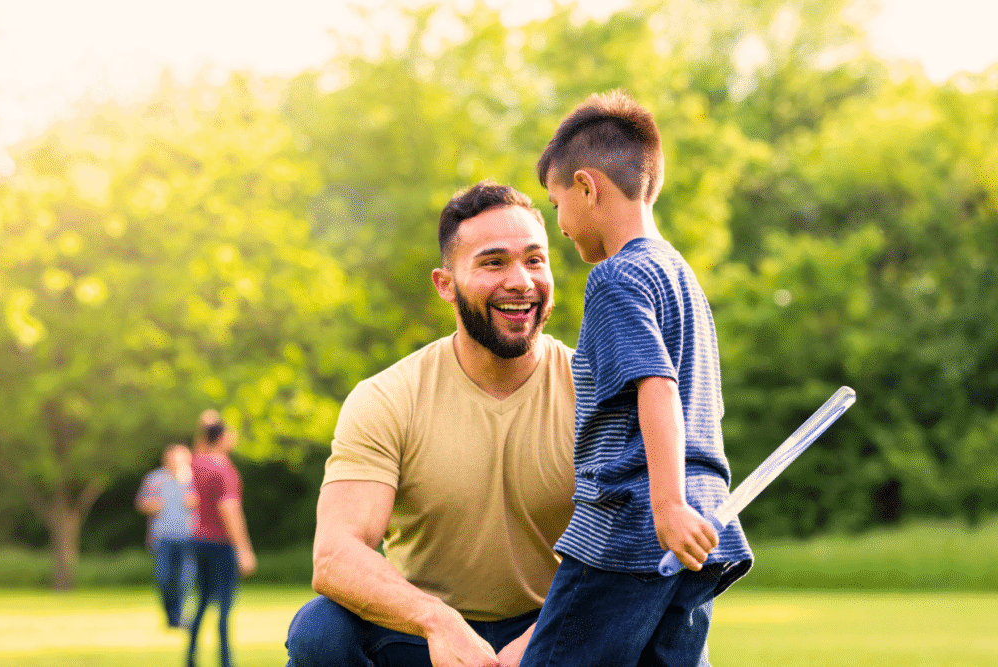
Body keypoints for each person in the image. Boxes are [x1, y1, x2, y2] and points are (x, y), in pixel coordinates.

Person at [284, 180, 576, 667]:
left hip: (552, 628)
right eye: (493, 262)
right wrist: (438, 622)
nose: (522, 281)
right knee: (320, 631)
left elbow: (624, 549)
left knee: (653, 615)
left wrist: (539, 640)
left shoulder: (591, 390)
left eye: (534, 259)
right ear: (445, 284)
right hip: (423, 634)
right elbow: (335, 555)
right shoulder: (387, 398)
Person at [518, 90, 754, 667]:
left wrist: (666, 504)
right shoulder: (681, 276)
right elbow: (705, 407)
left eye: (556, 204)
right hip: (706, 527)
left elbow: (658, 387)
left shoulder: (616, 278)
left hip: (630, 526)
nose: (563, 226)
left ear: (587, 187)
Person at [187, 417, 257, 667]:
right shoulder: (224, 469)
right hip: (221, 543)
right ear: (223, 438)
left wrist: (204, 426)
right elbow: (229, 509)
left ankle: (191, 658)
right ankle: (226, 662)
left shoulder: (197, 464)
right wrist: (244, 550)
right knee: (225, 605)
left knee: (203, 600)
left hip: (199, 541)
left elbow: (198, 447)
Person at [135, 442, 198, 628]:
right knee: (164, 578)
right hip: (162, 537)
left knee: (184, 579)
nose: (174, 462)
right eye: (170, 458)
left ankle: (179, 617)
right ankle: (170, 616)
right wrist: (151, 505)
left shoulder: (194, 479)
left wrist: (195, 502)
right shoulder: (155, 479)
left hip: (189, 536)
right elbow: (141, 502)